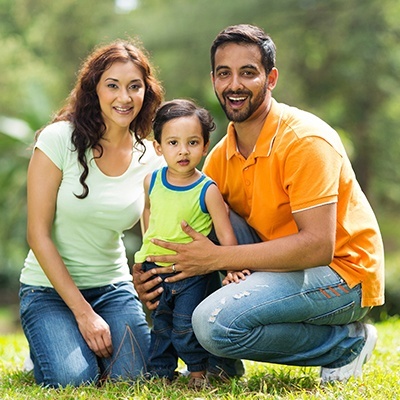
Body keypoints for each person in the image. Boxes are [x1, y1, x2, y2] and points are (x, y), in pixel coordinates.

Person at [133, 24, 385, 385]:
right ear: (214, 80)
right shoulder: (219, 158)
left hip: (343, 276)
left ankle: (345, 344)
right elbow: (195, 237)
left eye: (248, 73)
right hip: (278, 265)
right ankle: (221, 365)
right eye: (224, 74)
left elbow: (318, 246)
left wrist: (219, 259)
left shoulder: (305, 141)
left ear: (270, 79)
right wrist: (155, 273)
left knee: (213, 324)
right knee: (208, 214)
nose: (234, 84)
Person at [19, 39, 165, 387]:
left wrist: (150, 282)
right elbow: (36, 234)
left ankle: (71, 344)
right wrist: (84, 315)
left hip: (112, 288)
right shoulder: (58, 141)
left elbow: (153, 237)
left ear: (146, 92)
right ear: (94, 90)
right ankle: (52, 341)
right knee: (74, 380)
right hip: (47, 291)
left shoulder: (152, 158)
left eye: (134, 87)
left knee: (132, 379)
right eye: (112, 85)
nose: (124, 98)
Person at [134, 99, 249, 389]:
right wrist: (148, 247)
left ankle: (198, 372)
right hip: (157, 269)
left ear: (205, 145)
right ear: (158, 147)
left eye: (192, 142)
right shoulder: (152, 181)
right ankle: (160, 373)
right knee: (161, 325)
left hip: (192, 274)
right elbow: (149, 211)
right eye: (173, 142)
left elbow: (225, 234)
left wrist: (232, 266)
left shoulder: (207, 189)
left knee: (185, 326)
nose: (183, 151)